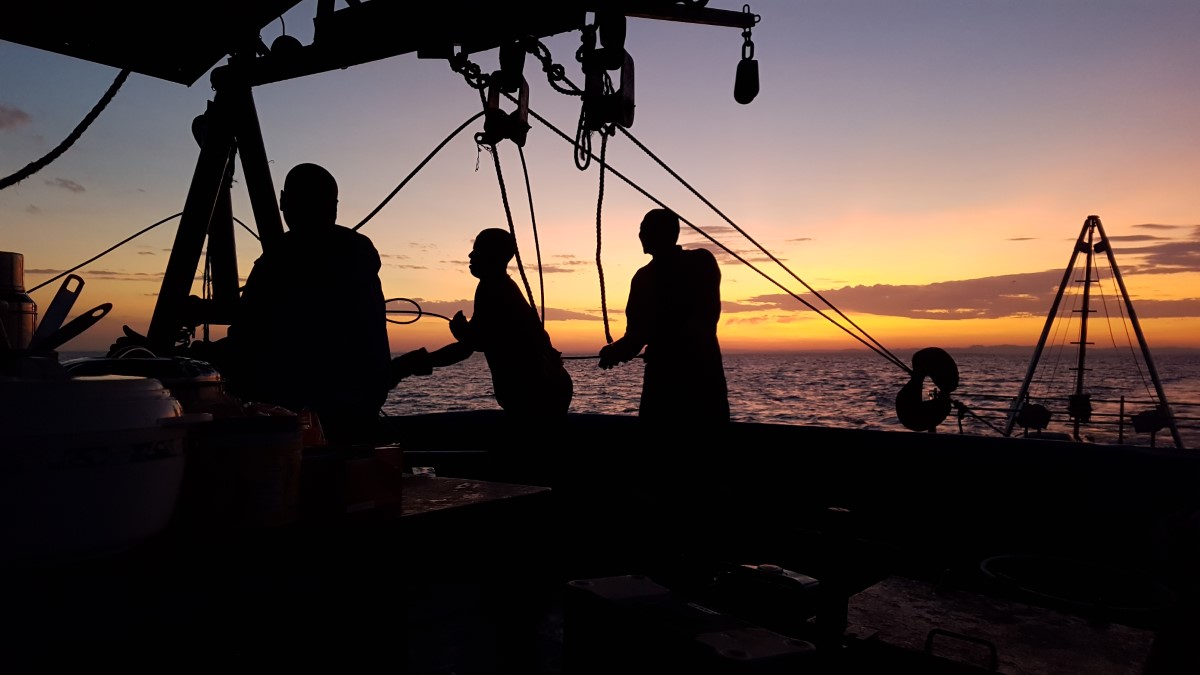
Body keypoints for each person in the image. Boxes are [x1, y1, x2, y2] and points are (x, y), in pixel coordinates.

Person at [223, 162, 392, 445]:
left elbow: (251, 339)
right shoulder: (356, 254)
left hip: (299, 420)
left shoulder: (281, 261)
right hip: (353, 412)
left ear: (282, 201)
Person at [405, 228, 572, 421]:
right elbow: (484, 339)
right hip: (547, 387)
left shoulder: (494, 288)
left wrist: (420, 361)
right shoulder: (496, 286)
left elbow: (471, 345)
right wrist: (464, 334)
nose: (470, 255)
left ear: (493, 256)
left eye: (477, 249)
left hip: (539, 391)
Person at [598, 208, 729, 428]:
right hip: (702, 377)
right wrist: (618, 350)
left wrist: (617, 351)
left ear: (665, 233)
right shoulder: (701, 262)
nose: (641, 235)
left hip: (672, 383)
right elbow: (637, 337)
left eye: (645, 229)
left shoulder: (647, 277)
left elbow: (636, 338)